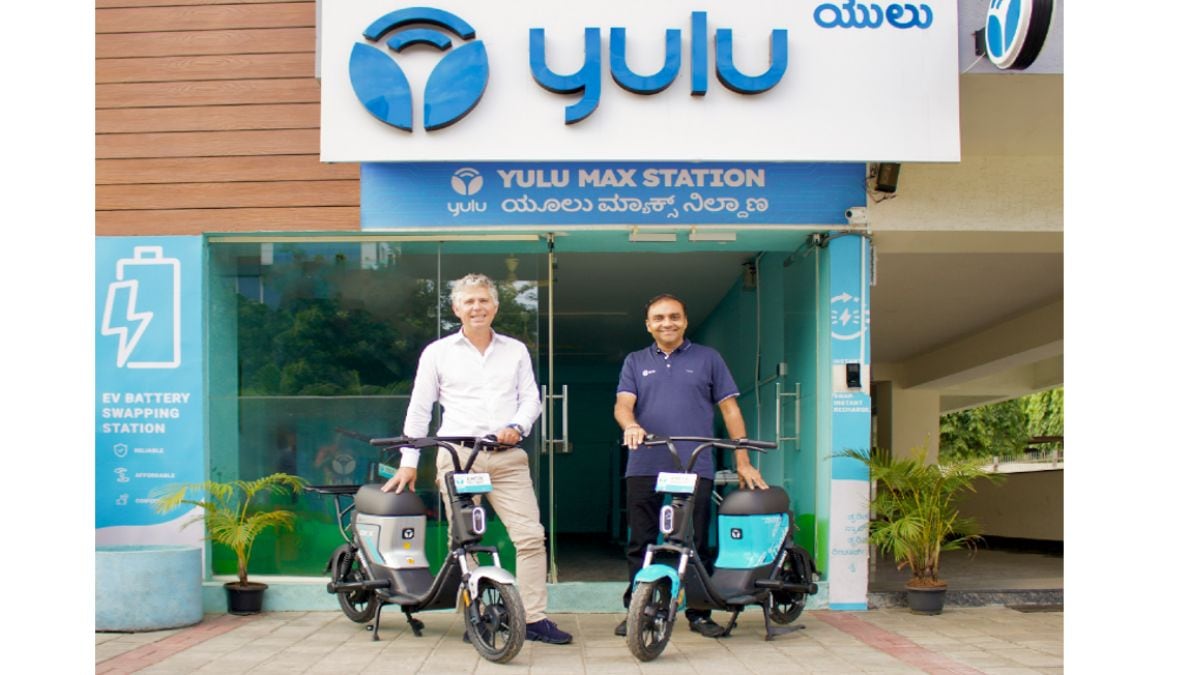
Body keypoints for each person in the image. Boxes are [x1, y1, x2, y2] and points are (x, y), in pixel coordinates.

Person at [381, 273, 572, 645]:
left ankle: (533, 618)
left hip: (507, 458)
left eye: (483, 300)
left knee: (531, 537)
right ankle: (478, 617)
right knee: (465, 541)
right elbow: (420, 409)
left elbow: (530, 399)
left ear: (495, 306)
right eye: (468, 301)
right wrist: (408, 460)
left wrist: (517, 425)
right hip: (459, 457)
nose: (477, 307)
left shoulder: (515, 350)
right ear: (456, 309)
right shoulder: (437, 353)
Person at [612, 293, 768, 638]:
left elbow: (730, 409)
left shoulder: (708, 358)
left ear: (684, 321)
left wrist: (742, 460)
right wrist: (631, 425)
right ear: (648, 325)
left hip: (695, 464)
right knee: (641, 542)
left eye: (674, 316)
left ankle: (699, 612)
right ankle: (638, 611)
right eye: (659, 318)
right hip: (645, 463)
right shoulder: (636, 361)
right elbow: (623, 405)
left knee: (696, 541)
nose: (667, 323)